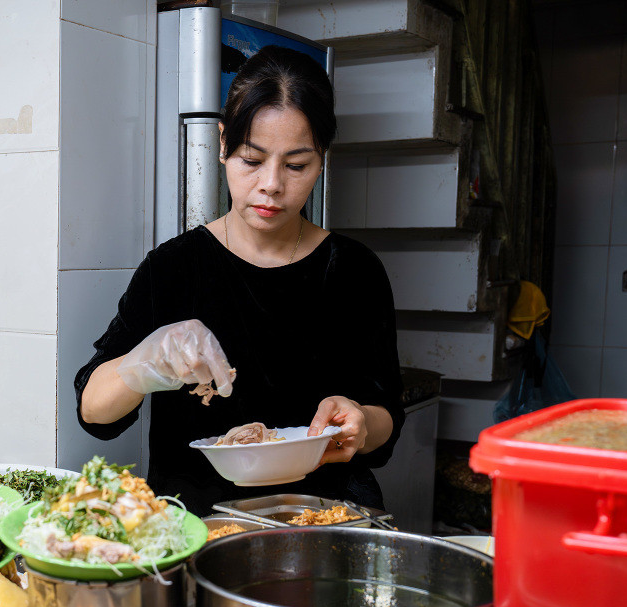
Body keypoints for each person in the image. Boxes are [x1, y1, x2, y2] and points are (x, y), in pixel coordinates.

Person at [74, 45, 404, 516]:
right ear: (224, 144)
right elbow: (94, 413)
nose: (271, 184)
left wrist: (362, 422)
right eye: (252, 159)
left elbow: (386, 414)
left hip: (323, 516)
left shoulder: (354, 270)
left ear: (322, 160)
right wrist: (144, 363)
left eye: (296, 165)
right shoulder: (172, 268)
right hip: (194, 524)